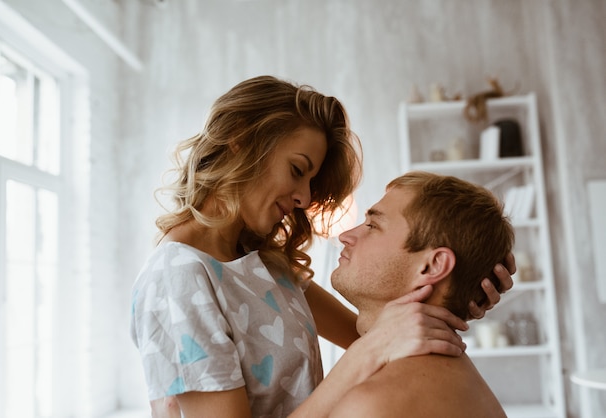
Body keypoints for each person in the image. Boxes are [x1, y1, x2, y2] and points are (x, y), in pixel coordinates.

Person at [130, 76, 515, 418]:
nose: (303, 197)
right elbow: (374, 345)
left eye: (310, 181)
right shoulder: (178, 277)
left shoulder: (263, 262)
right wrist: (366, 356)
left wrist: (458, 289)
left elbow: (378, 332)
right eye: (297, 170)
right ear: (241, 140)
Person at [329, 171, 514, 418]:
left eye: (373, 226)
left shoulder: (373, 406)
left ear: (432, 266)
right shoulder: (458, 381)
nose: (345, 236)